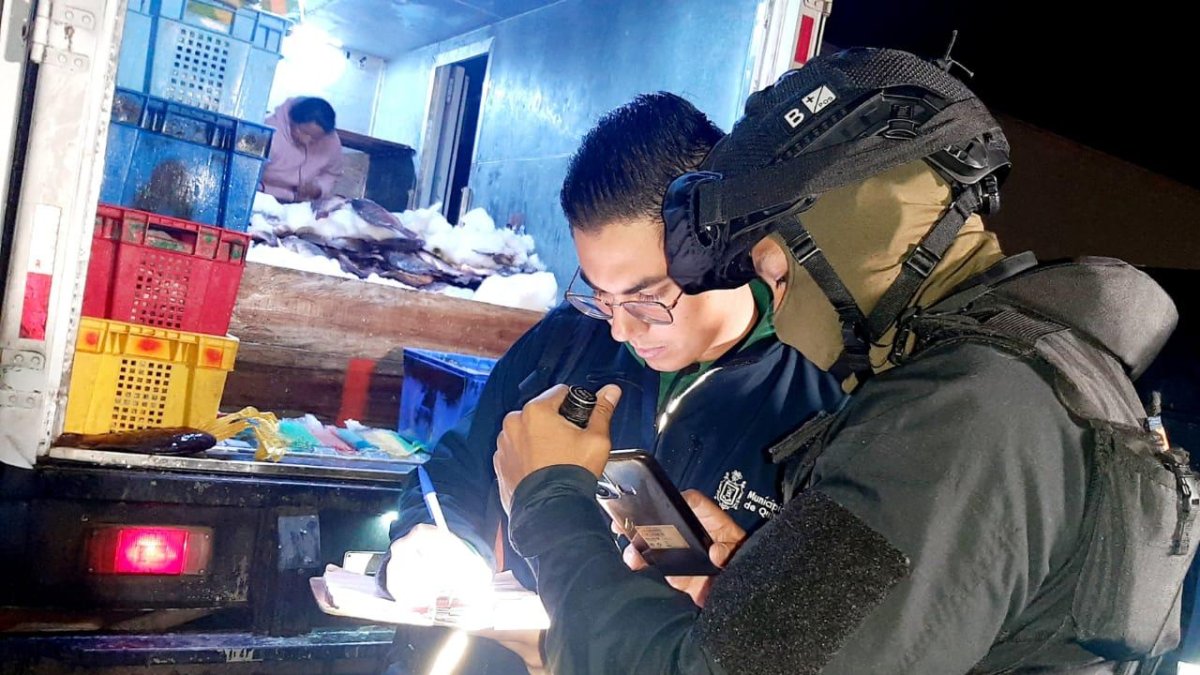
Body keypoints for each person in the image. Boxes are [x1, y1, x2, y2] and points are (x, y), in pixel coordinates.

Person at [494, 47, 1196, 674]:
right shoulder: (1030, 383)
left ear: (857, 233)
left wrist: (551, 504)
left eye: (776, 273)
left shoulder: (959, 417)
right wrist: (760, 585)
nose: (781, 313)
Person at [379, 93, 844, 674]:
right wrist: (432, 537)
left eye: (646, 299)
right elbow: (452, 464)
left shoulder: (821, 403)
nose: (621, 329)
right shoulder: (566, 344)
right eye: (601, 295)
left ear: (726, 249)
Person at [261, 96, 344, 203]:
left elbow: (332, 173)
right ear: (292, 120)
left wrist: (318, 189)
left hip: (301, 204)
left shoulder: (331, 141)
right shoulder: (268, 133)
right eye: (304, 132)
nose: (307, 141)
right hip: (263, 196)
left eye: (315, 138)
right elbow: (248, 175)